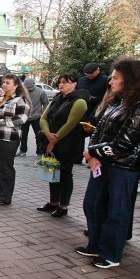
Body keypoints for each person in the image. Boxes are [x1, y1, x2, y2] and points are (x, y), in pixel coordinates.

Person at [76, 58, 140, 268]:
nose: (111, 82)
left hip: (124, 167)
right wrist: (92, 154)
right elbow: (98, 131)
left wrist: (92, 152)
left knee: (116, 211)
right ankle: (95, 244)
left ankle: (110, 253)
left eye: (117, 78)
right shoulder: (116, 103)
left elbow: (124, 144)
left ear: (130, 81)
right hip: (102, 164)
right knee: (92, 204)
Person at [37, 74, 89, 217]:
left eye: (65, 82)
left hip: (67, 144)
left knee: (65, 175)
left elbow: (70, 124)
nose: (61, 85)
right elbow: (43, 118)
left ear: (74, 84)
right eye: (60, 82)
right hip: (51, 139)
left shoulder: (80, 101)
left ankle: (63, 206)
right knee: (51, 171)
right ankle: (53, 202)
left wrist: (53, 141)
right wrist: (48, 134)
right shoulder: (57, 98)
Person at [0, 74, 29, 205]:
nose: (4, 85)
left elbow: (22, 118)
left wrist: (3, 122)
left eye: (8, 83)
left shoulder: (20, 100)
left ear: (16, 85)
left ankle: (5, 195)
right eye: (3, 82)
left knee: (6, 166)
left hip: (9, 137)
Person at [18, 78, 49, 156]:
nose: (28, 89)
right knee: (23, 135)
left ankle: (39, 152)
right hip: (24, 117)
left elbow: (46, 103)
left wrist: (43, 113)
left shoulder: (41, 92)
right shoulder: (22, 91)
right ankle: (22, 150)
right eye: (26, 88)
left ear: (34, 85)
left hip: (37, 117)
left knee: (38, 135)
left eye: (30, 88)